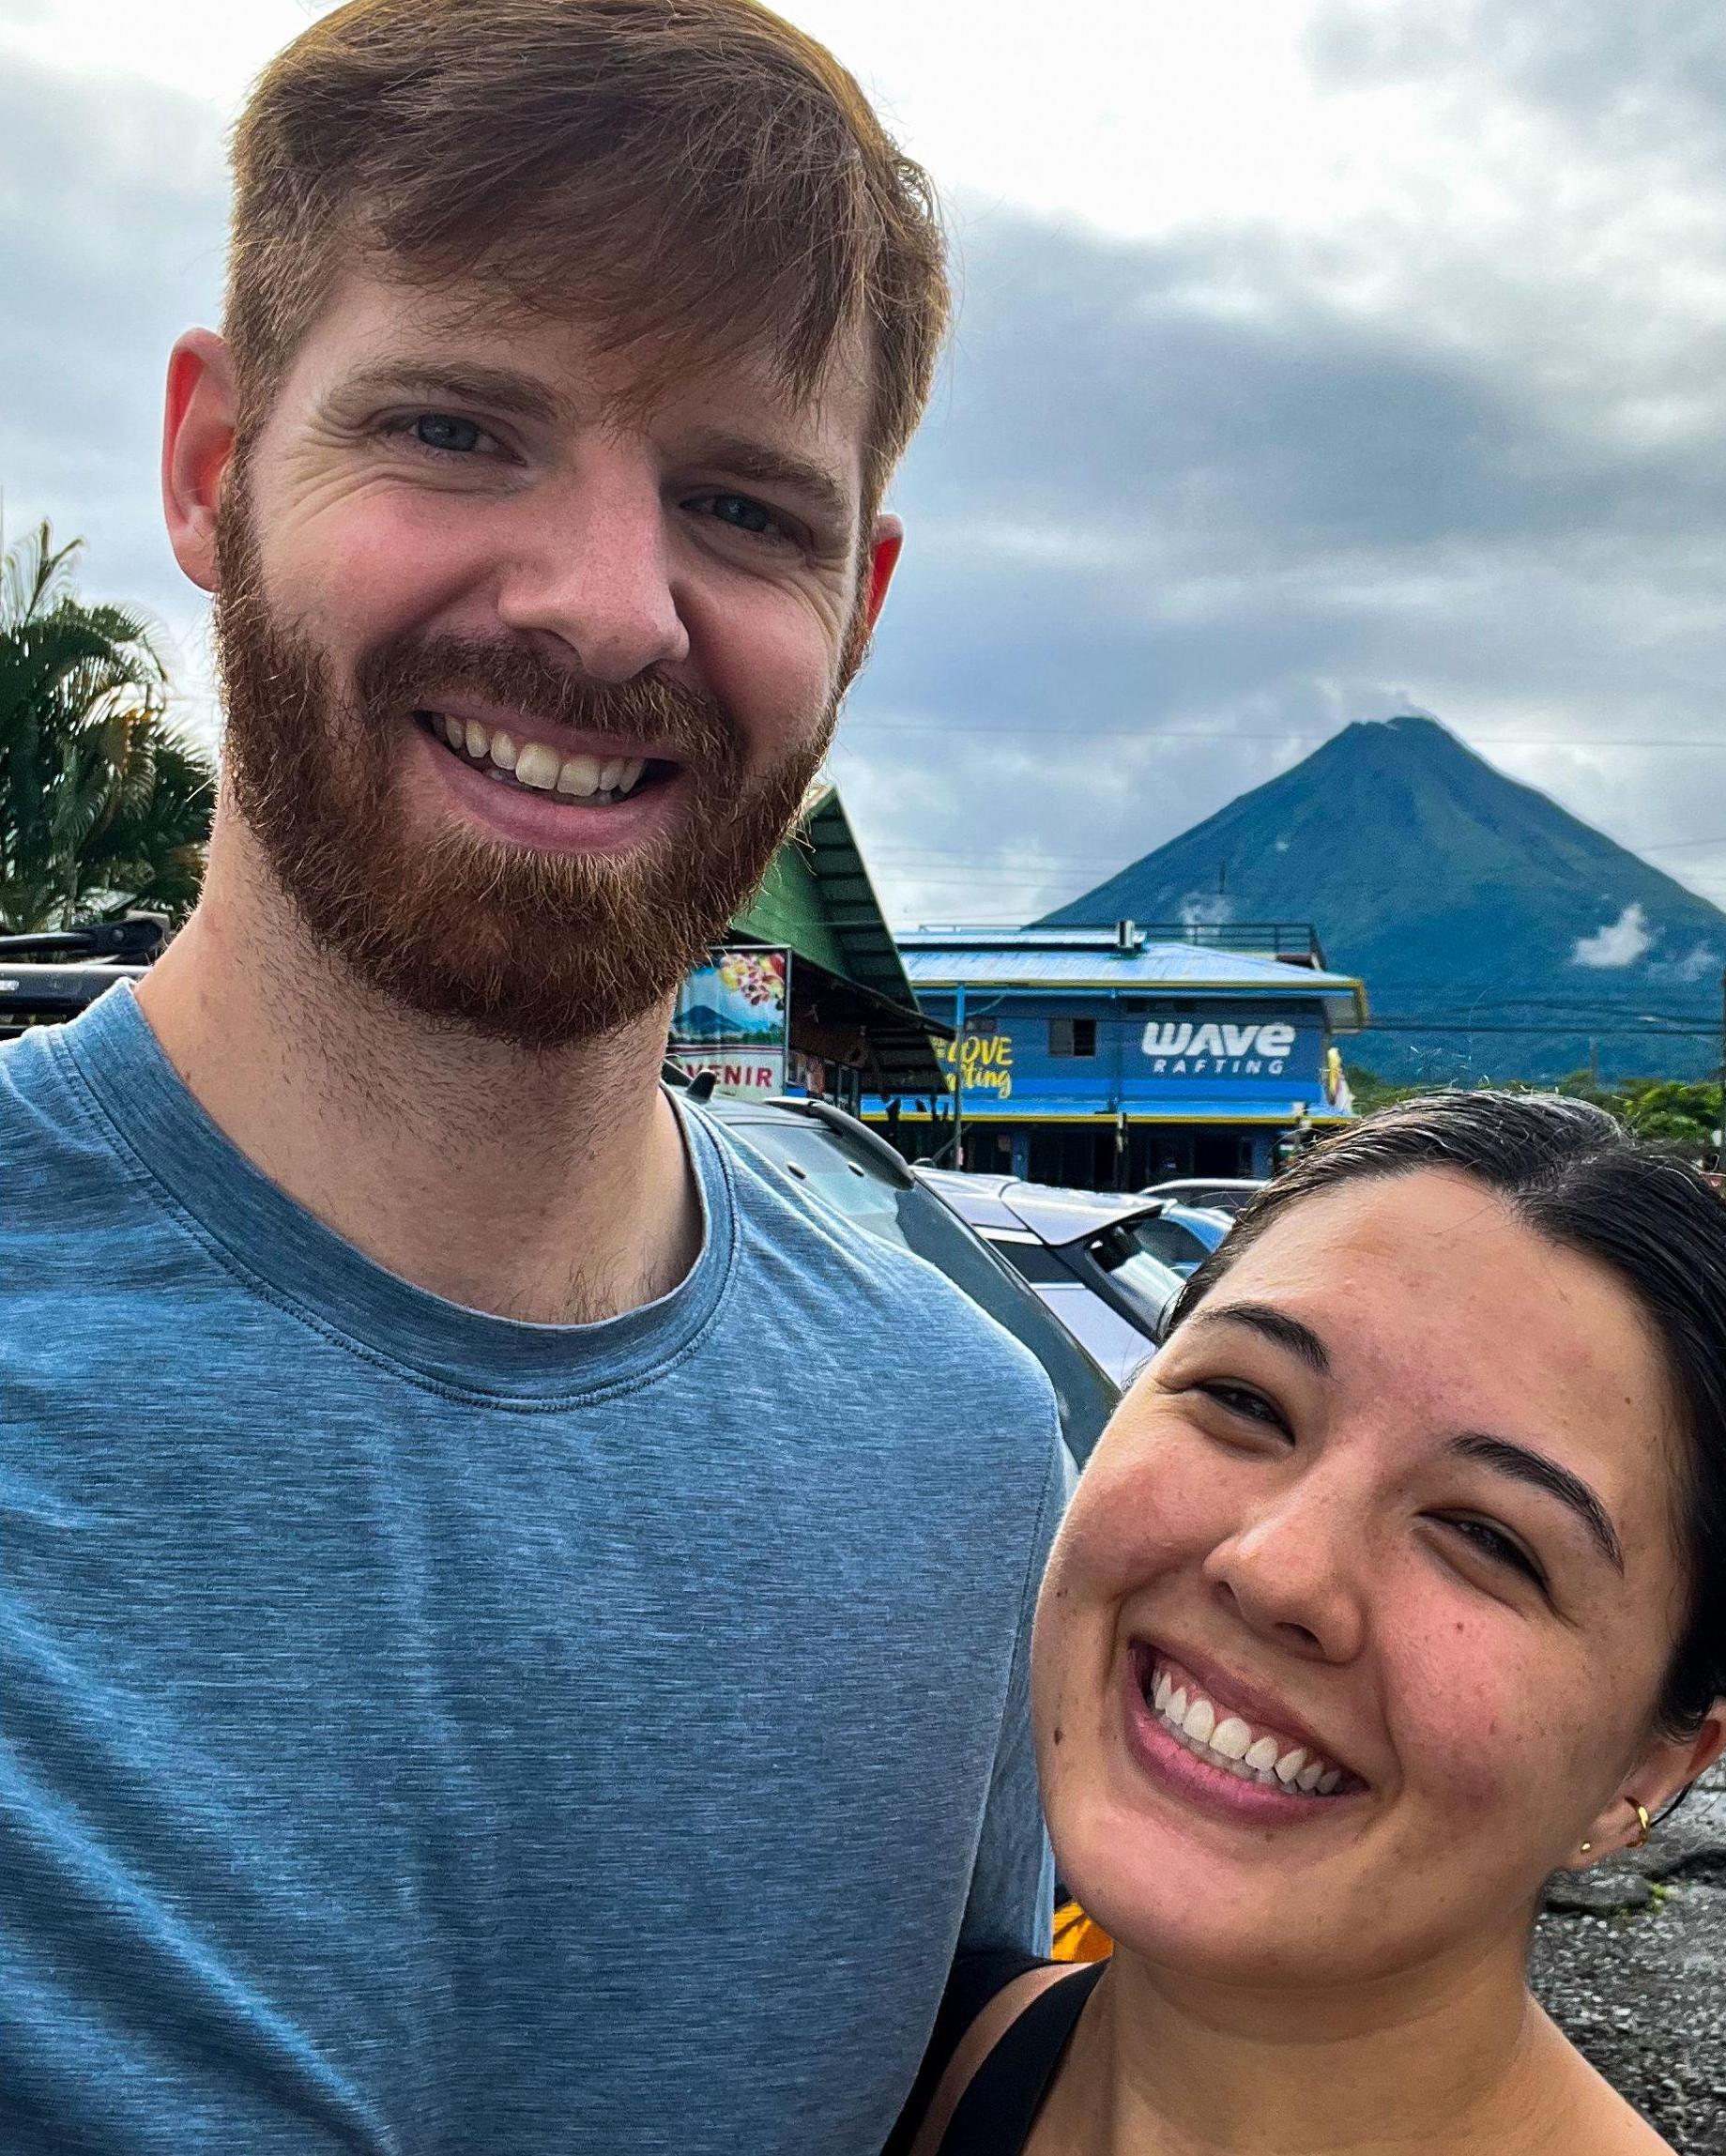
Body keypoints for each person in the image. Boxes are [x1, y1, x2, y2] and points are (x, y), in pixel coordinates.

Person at [0, 5, 1065, 2150]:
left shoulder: (972, 1464)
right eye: (462, 429)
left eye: (743, 505)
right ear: (216, 463)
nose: (605, 610)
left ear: (856, 606)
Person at [902, 1092, 1726, 2156]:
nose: (1277, 1569)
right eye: (1248, 1401)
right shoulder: (912, 2066)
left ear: (1656, 1768)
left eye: (1489, 1536)